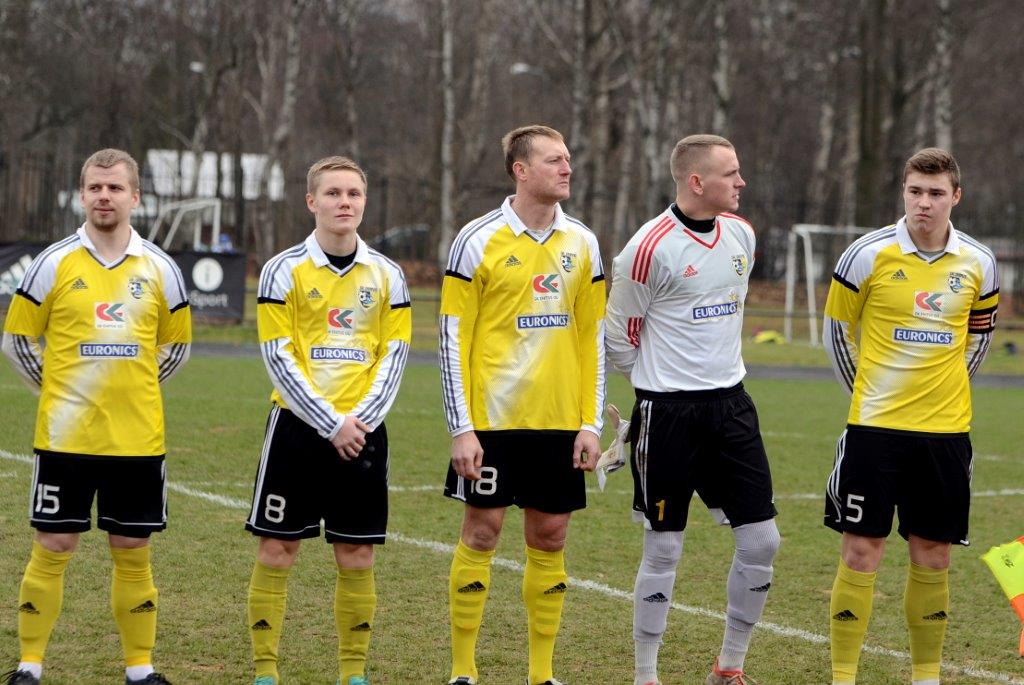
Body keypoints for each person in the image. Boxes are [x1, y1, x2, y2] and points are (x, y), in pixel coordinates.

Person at [1, 149, 191, 685]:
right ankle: (29, 667)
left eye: (115, 188)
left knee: (133, 551)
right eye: (95, 187)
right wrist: (61, 390)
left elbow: (176, 348)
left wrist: (133, 387)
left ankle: (140, 671)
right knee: (52, 546)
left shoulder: (161, 268)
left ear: (135, 197)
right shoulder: (52, 262)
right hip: (66, 438)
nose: (104, 196)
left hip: (137, 440)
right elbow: (18, 339)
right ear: (82, 195)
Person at [605, 134, 781, 685]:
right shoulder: (646, 248)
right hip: (668, 415)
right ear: (697, 181)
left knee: (763, 542)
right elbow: (619, 339)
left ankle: (729, 666)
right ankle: (646, 674)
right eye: (731, 173)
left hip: (732, 407)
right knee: (664, 547)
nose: (741, 182)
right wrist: (660, 385)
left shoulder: (742, 234)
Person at [822, 148, 998, 685]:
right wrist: (869, 396)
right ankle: (843, 677)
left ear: (955, 197)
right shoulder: (865, 254)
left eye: (936, 193)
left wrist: (944, 391)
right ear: (903, 192)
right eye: (915, 191)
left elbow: (978, 341)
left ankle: (927, 676)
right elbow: (837, 335)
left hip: (945, 434)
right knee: (861, 550)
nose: (924, 202)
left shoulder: (980, 262)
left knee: (934, 554)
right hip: (874, 430)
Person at [439, 125, 606, 685]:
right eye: (554, 160)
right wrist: (462, 428)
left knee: (551, 538)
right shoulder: (476, 240)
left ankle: (542, 674)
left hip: (559, 423)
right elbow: (452, 338)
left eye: (568, 159)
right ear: (521, 170)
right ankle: (464, 670)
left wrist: (590, 423)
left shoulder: (583, 243)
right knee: (481, 533)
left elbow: (592, 337)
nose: (567, 168)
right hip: (492, 422)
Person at [244, 156, 411, 685]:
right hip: (296, 431)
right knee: (277, 548)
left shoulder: (388, 275)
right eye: (333, 193)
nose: (345, 202)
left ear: (364, 202)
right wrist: (328, 422)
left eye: (353, 194)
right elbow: (278, 355)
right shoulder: (282, 270)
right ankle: (266, 672)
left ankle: (353, 674)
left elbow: (394, 355)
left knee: (357, 553)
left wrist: (357, 421)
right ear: (311, 201)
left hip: (363, 433)